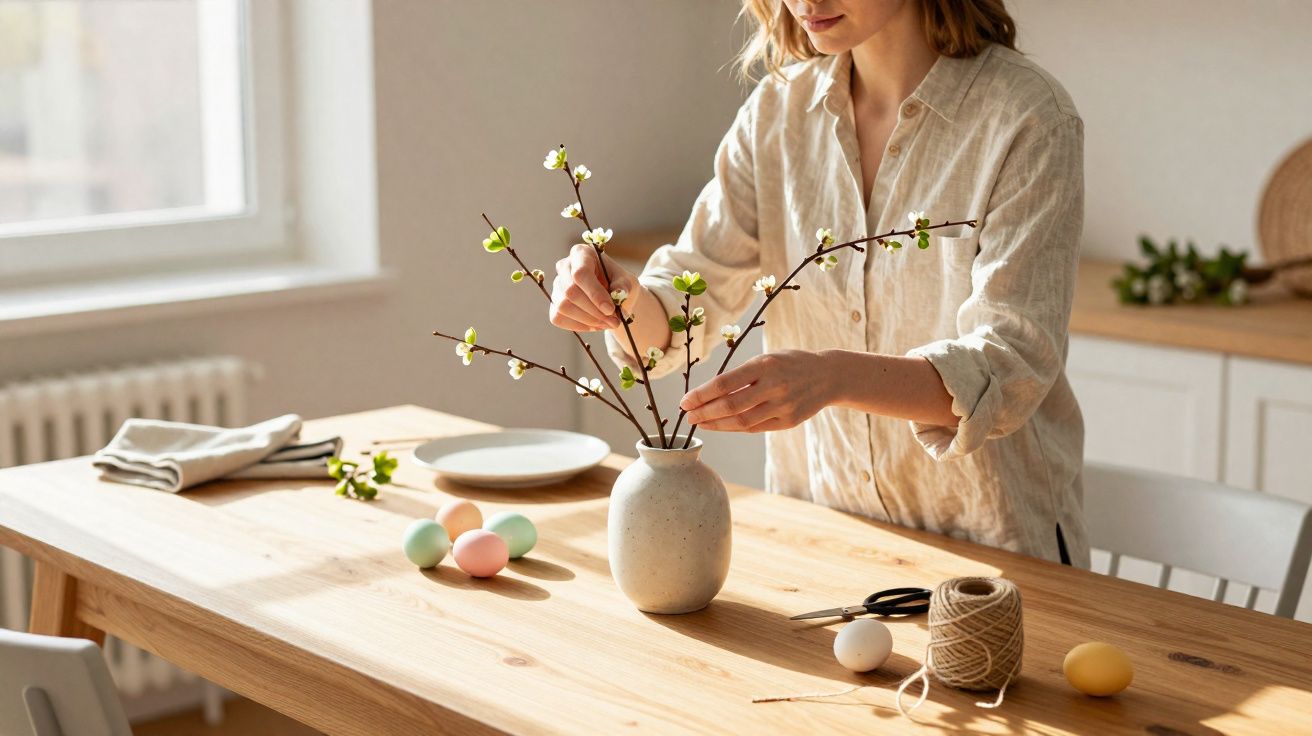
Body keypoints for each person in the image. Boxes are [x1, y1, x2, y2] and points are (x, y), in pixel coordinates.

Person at [549, 0, 1088, 566]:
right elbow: (690, 298)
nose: (806, 2)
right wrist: (621, 299)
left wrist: (832, 376)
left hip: (993, 557)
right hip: (822, 544)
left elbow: (1008, 368)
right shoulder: (777, 113)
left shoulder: (1029, 116)